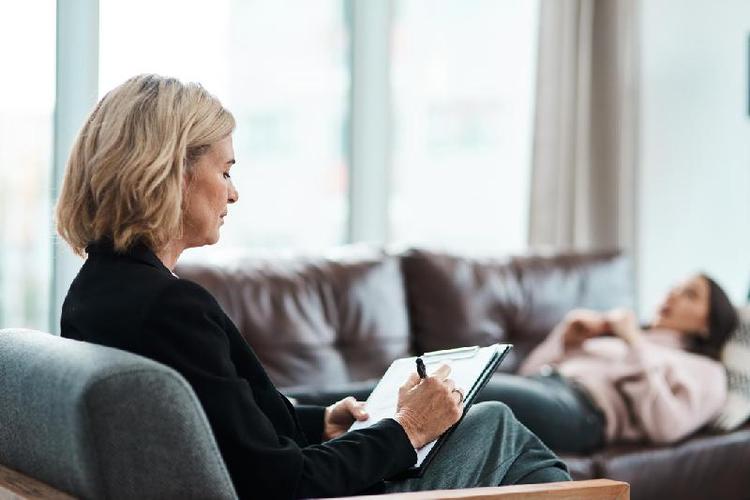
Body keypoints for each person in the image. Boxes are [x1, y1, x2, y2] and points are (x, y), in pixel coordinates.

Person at [55, 74, 569, 499]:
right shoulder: (170, 309)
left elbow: (223, 430)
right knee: (495, 423)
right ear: (173, 174)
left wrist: (322, 421)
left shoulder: (95, 293)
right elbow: (281, 481)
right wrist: (408, 428)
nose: (234, 194)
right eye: (226, 171)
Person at [487, 274, 738, 454]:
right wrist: (565, 339)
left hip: (582, 411)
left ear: (709, 324)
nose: (672, 294)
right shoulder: (623, 338)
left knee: (464, 387)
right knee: (466, 394)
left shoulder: (707, 372)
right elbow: (528, 374)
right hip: (546, 387)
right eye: (675, 286)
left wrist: (633, 341)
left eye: (690, 294)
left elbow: (666, 427)